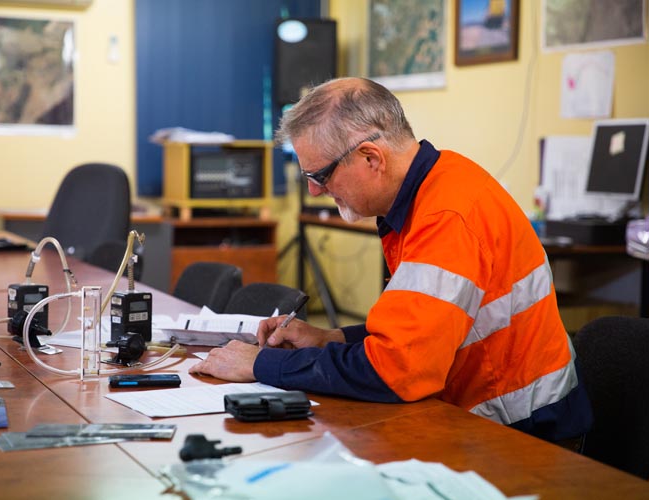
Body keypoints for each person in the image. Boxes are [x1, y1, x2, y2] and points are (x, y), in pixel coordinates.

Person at [189, 77, 592, 442]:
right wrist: (332, 338)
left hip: (526, 436)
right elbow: (421, 329)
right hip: (479, 415)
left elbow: (397, 370)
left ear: (371, 158)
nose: (314, 192)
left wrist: (261, 365)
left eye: (321, 176)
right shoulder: (431, 188)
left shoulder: (446, 217)